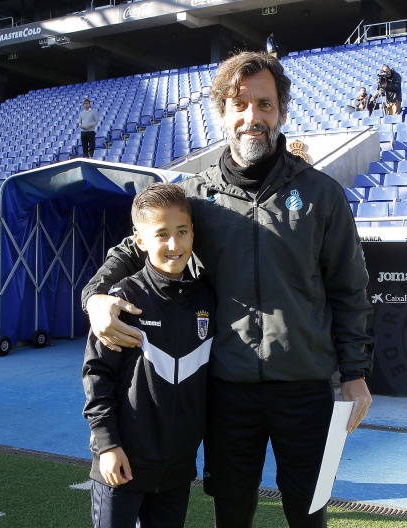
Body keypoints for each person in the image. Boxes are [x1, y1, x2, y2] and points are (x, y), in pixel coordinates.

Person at [81, 51, 374, 528]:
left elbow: (349, 288)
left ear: (281, 111)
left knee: (309, 511)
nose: (252, 116)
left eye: (264, 104)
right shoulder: (196, 196)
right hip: (226, 390)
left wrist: (355, 373)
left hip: (306, 387)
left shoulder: (321, 194)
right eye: (239, 104)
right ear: (222, 112)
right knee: (232, 512)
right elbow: (133, 247)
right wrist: (95, 298)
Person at [82, 183, 216, 528]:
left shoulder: (206, 299)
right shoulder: (123, 300)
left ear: (193, 233)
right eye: (161, 234)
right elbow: (97, 375)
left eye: (182, 232)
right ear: (140, 241)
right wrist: (107, 445)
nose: (174, 245)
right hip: (122, 465)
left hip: (177, 471)